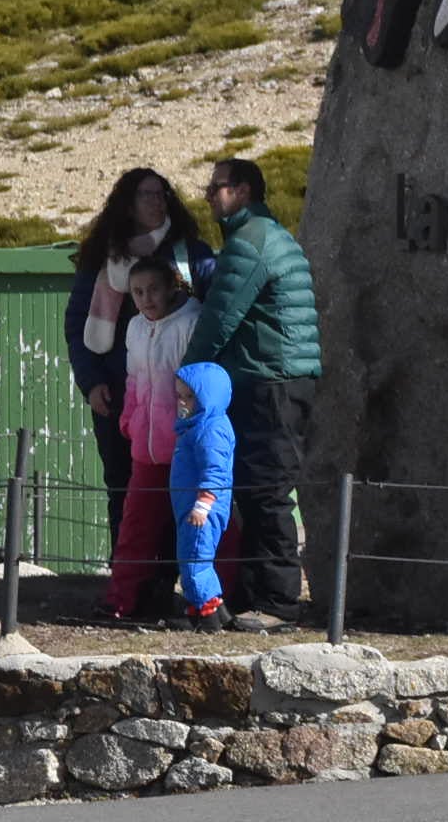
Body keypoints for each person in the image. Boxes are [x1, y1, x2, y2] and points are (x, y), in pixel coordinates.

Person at [187, 158, 322, 630]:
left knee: (265, 492)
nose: (208, 195)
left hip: (270, 383)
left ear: (242, 191)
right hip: (282, 380)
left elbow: (219, 319)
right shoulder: (269, 235)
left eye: (216, 187)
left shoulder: (249, 243)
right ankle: (257, 593)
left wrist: (189, 374)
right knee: (258, 489)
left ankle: (278, 603)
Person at [63, 168, 213, 547]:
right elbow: (77, 323)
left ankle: (183, 578)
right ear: (128, 204)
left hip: (183, 398)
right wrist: (91, 382)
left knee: (184, 487)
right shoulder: (103, 257)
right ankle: (129, 578)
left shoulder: (190, 254)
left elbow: (214, 318)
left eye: (161, 192)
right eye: (146, 194)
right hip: (120, 396)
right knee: (124, 488)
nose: (156, 200)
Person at [101, 257, 199, 622]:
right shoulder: (135, 328)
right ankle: (120, 600)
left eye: (153, 289)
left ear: (172, 285)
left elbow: (197, 385)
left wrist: (191, 431)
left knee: (193, 526)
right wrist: (129, 420)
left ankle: (200, 604)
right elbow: (133, 380)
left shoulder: (191, 323)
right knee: (135, 527)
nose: (145, 299)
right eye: (138, 292)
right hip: (145, 447)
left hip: (183, 448)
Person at [168, 363, 238, 634]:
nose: (183, 403)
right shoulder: (196, 426)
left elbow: (215, 470)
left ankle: (204, 614)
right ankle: (213, 607)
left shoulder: (210, 429)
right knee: (195, 556)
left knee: (194, 557)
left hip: (201, 509)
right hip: (190, 505)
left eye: (190, 397)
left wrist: (203, 504)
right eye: (180, 396)